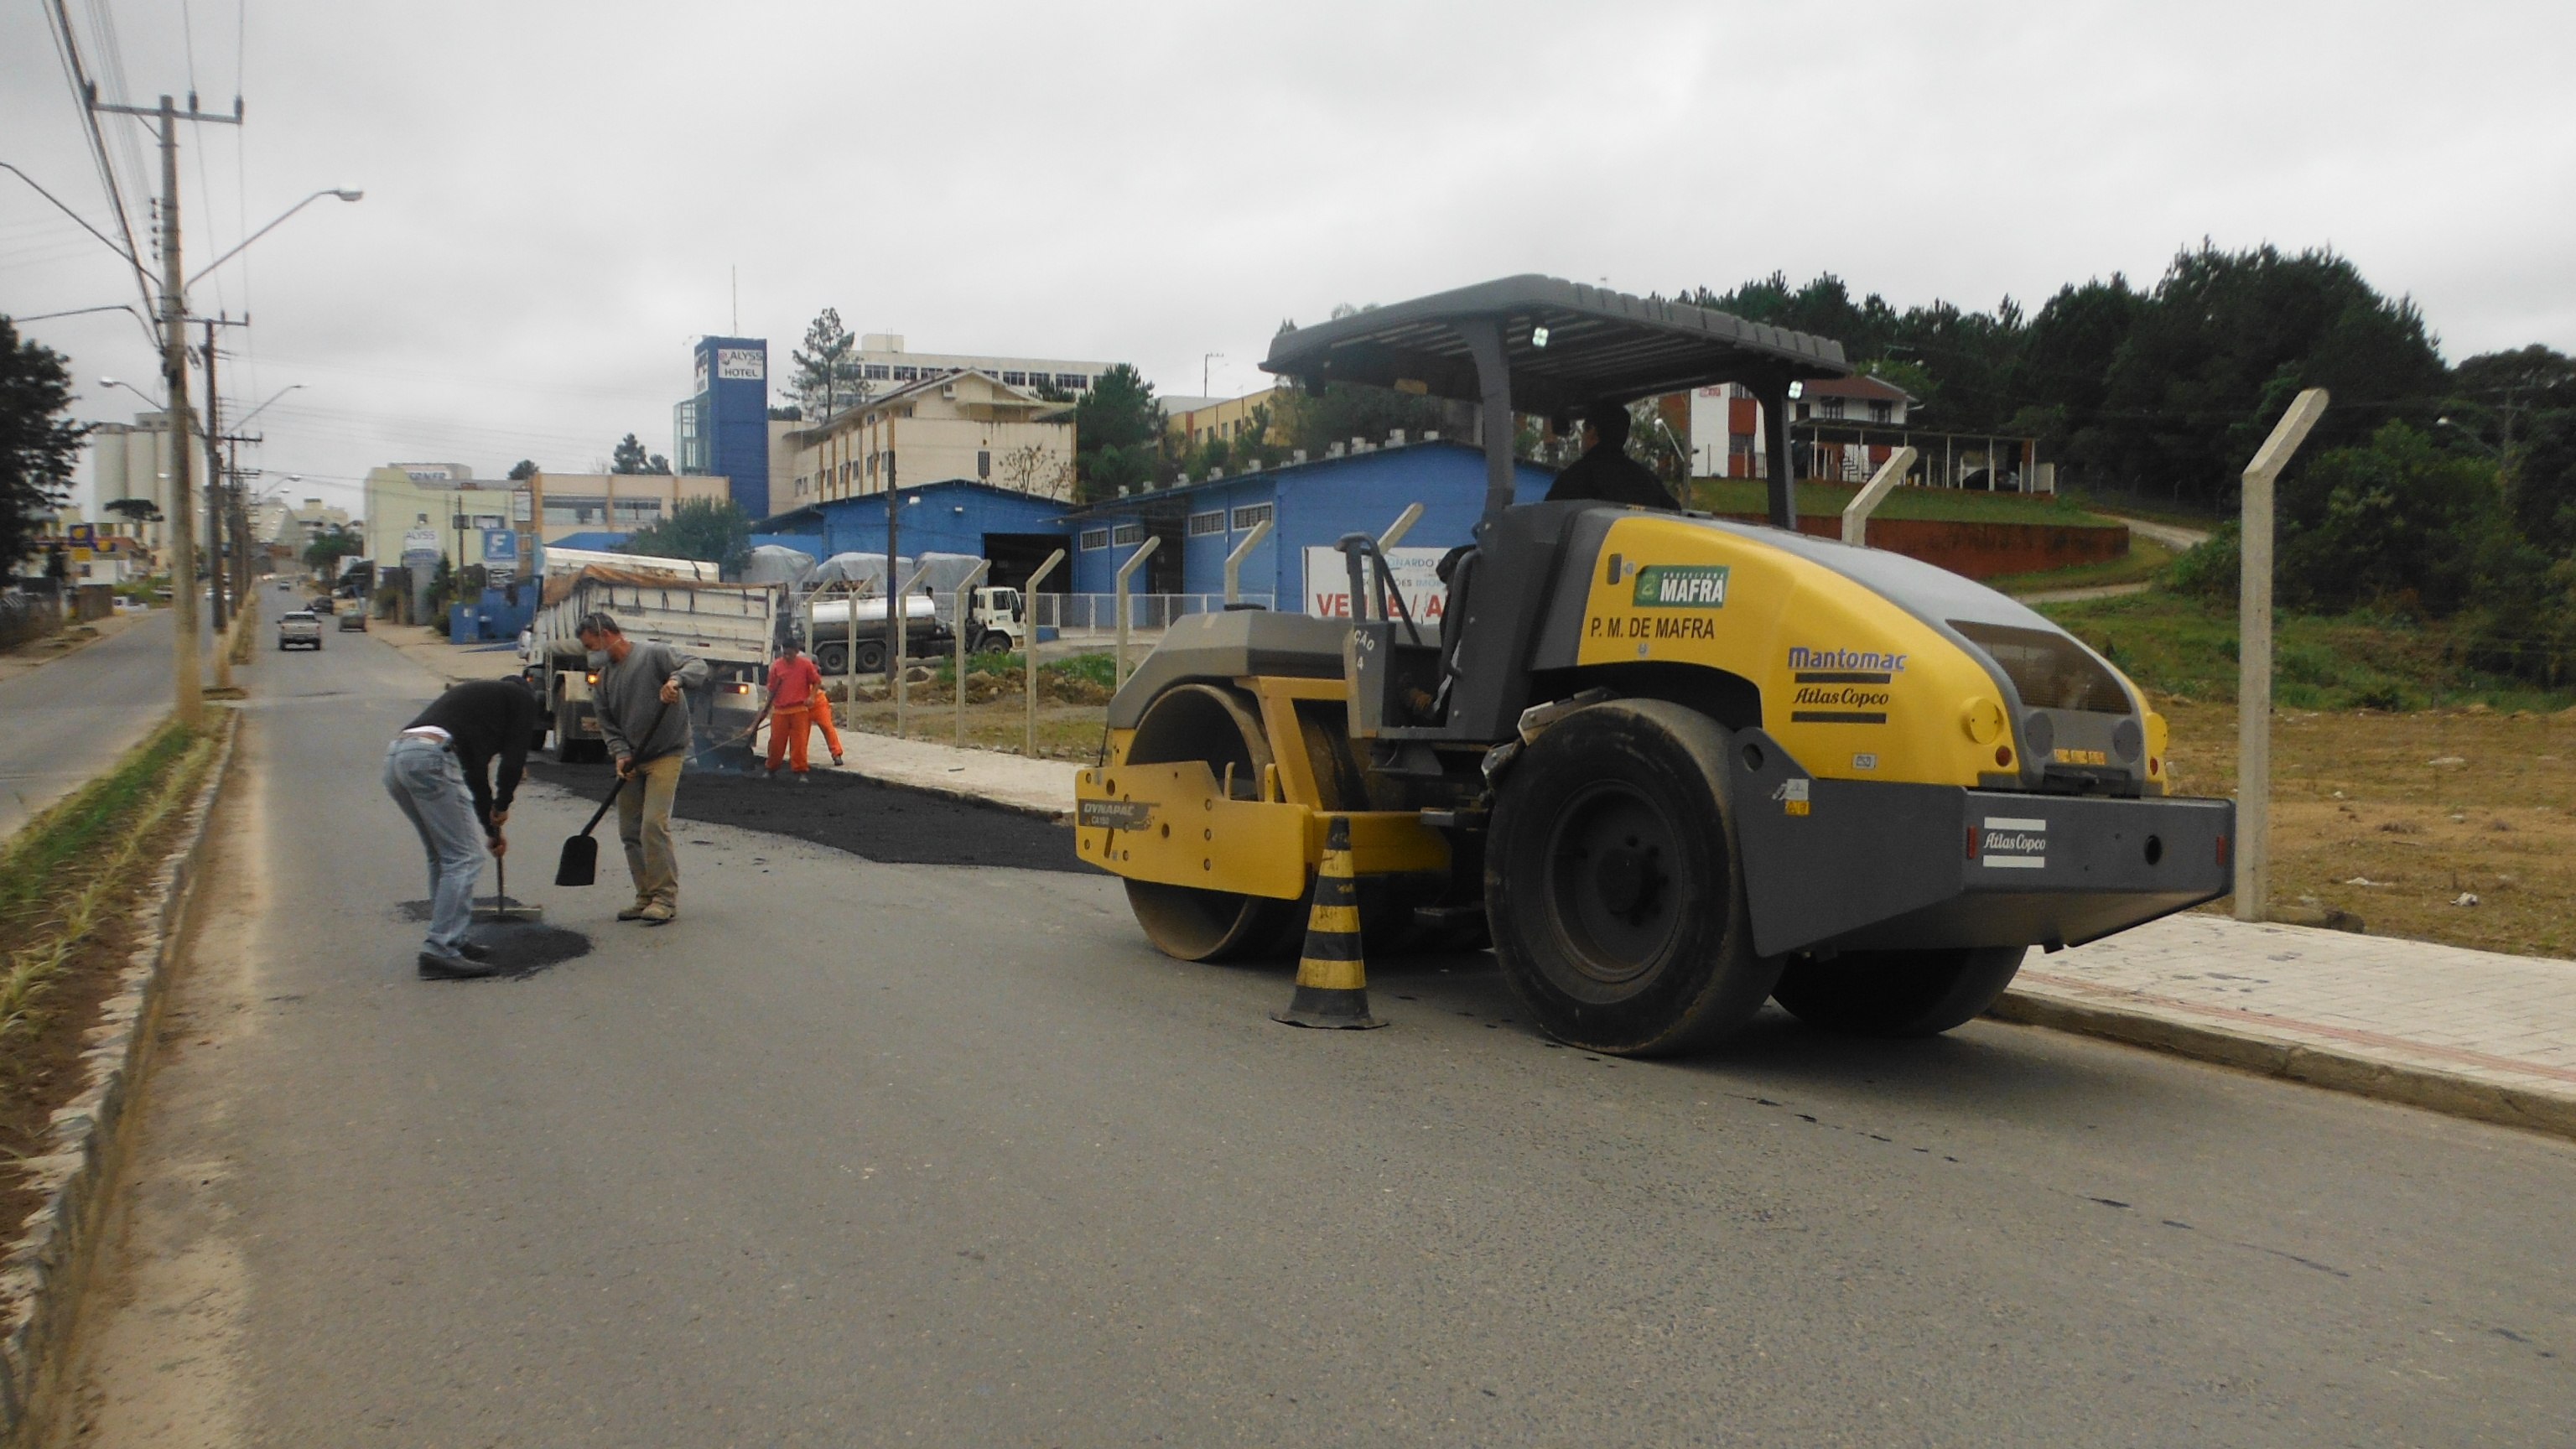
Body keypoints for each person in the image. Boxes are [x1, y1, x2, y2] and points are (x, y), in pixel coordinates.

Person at [383, 678, 538, 979]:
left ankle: (453, 938)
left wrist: (492, 831)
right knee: (465, 858)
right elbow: (513, 762)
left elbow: (476, 780)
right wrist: (503, 804)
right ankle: (439, 948)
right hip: (430, 757)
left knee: (443, 855)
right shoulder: (522, 699)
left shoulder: (475, 715)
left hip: (398, 757)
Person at [577, 611, 707, 925]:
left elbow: (698, 666)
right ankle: (645, 895)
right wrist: (620, 754)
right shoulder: (605, 679)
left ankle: (665, 898)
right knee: (630, 831)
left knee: (652, 825)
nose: (589, 652)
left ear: (607, 634)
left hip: (666, 753)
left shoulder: (653, 655)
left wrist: (675, 680)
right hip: (633, 759)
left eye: (590, 644)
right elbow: (608, 724)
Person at [1545, 400, 1677, 509]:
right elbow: (1674, 512)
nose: (1582, 437)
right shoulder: (1649, 480)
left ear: (1592, 432)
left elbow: (1548, 517)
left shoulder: (1576, 477)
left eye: (1585, 428)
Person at [763, 640, 827, 781]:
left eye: (790, 654)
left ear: (797, 652)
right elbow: (772, 689)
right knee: (776, 742)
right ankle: (771, 768)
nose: (786, 657)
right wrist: (767, 708)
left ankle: (800, 771)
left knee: (799, 743)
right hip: (780, 710)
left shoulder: (805, 665)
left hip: (799, 709)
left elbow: (817, 681)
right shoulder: (776, 667)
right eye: (784, 653)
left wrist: (812, 696)